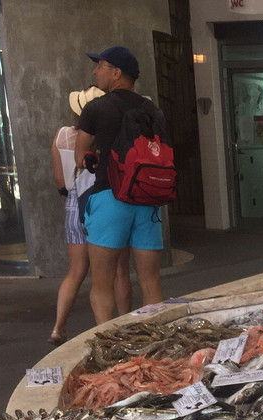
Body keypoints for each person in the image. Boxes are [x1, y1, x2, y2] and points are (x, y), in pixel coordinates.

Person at [75, 46, 165, 324]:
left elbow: (80, 157)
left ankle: (108, 343)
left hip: (110, 198)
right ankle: (156, 342)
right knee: (150, 281)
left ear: (116, 73)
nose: (95, 71)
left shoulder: (96, 108)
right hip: (147, 200)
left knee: (102, 283)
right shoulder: (152, 110)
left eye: (100, 65)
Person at [49, 87, 132, 344]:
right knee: (118, 270)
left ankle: (58, 327)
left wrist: (68, 198)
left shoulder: (62, 136)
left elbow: (59, 179)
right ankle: (124, 323)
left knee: (75, 271)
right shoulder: (106, 136)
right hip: (104, 198)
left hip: (74, 200)